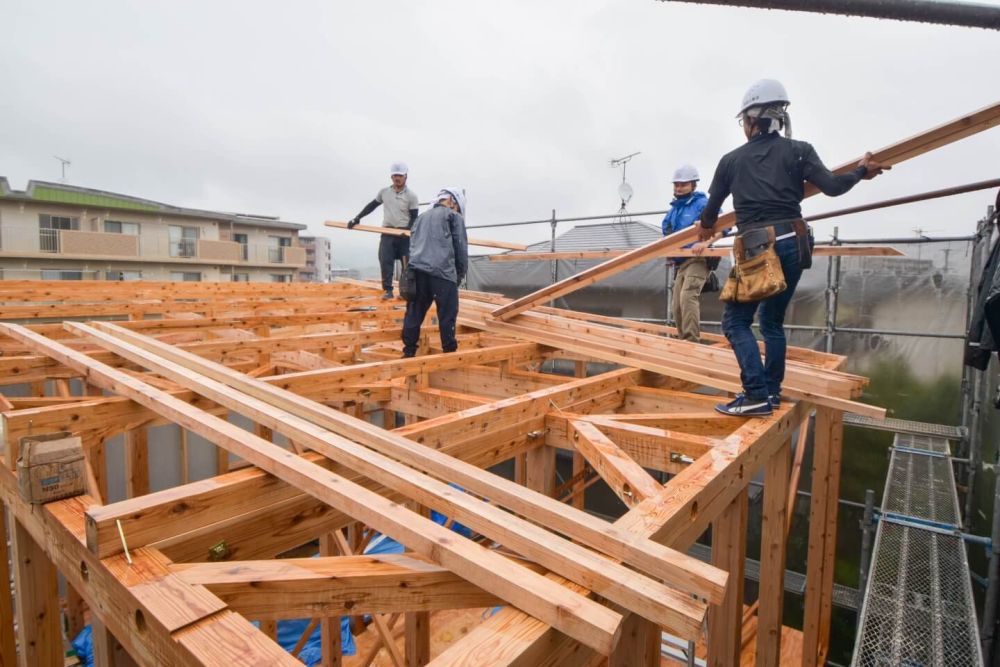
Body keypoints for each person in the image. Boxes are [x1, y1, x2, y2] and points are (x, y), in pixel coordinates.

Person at [698, 79, 888, 416]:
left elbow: (710, 214)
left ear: (752, 119)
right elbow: (832, 186)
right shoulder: (799, 150)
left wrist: (704, 229)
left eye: (744, 120)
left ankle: (755, 393)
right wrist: (861, 172)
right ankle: (771, 393)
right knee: (771, 322)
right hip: (796, 241)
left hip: (759, 247)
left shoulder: (732, 161)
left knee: (736, 323)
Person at [402, 187, 469, 358]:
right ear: (452, 201)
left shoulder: (421, 218)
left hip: (417, 271)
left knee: (414, 313)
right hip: (443, 272)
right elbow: (460, 247)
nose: (457, 210)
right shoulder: (453, 216)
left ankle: (409, 351)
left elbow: (412, 245)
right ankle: (449, 351)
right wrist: (459, 274)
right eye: (458, 207)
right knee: (447, 314)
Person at [662, 164, 719, 342]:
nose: (679, 188)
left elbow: (723, 226)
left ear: (693, 185)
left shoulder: (702, 204)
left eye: (683, 184)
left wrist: (707, 243)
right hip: (680, 263)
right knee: (677, 304)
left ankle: (691, 341)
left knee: (688, 297)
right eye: (676, 185)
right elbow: (666, 236)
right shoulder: (673, 211)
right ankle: (683, 340)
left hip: (698, 259)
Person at [348, 162, 419, 299]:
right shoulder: (384, 192)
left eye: (399, 176)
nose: (397, 178)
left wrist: (408, 230)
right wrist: (357, 218)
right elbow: (372, 206)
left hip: (404, 234)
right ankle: (388, 290)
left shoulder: (412, 196)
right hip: (388, 232)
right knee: (385, 260)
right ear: (391, 177)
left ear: (405, 177)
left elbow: (414, 217)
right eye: (394, 176)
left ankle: (407, 293)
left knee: (407, 265)